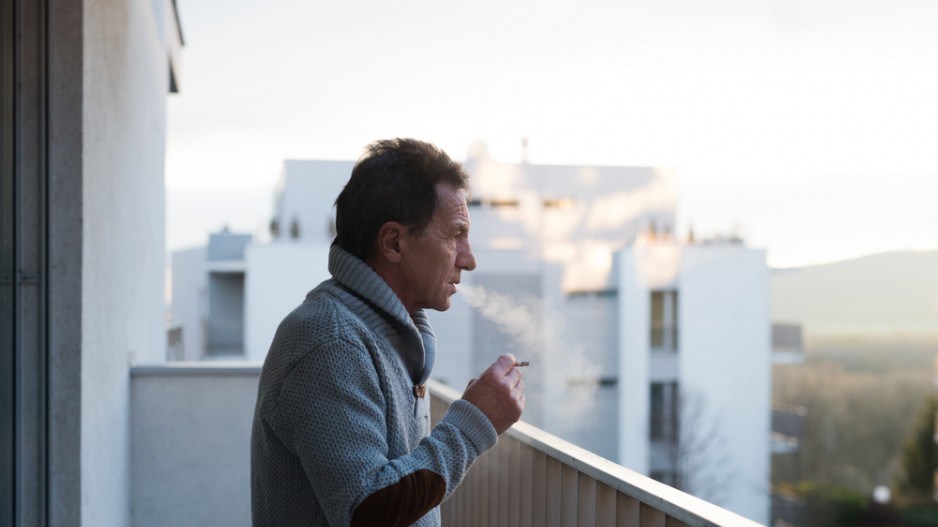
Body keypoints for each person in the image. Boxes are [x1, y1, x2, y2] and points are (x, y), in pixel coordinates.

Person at [250, 138, 526, 527]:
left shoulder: (381, 337)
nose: (469, 258)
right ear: (394, 242)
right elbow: (368, 509)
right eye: (455, 234)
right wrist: (475, 420)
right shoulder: (330, 342)